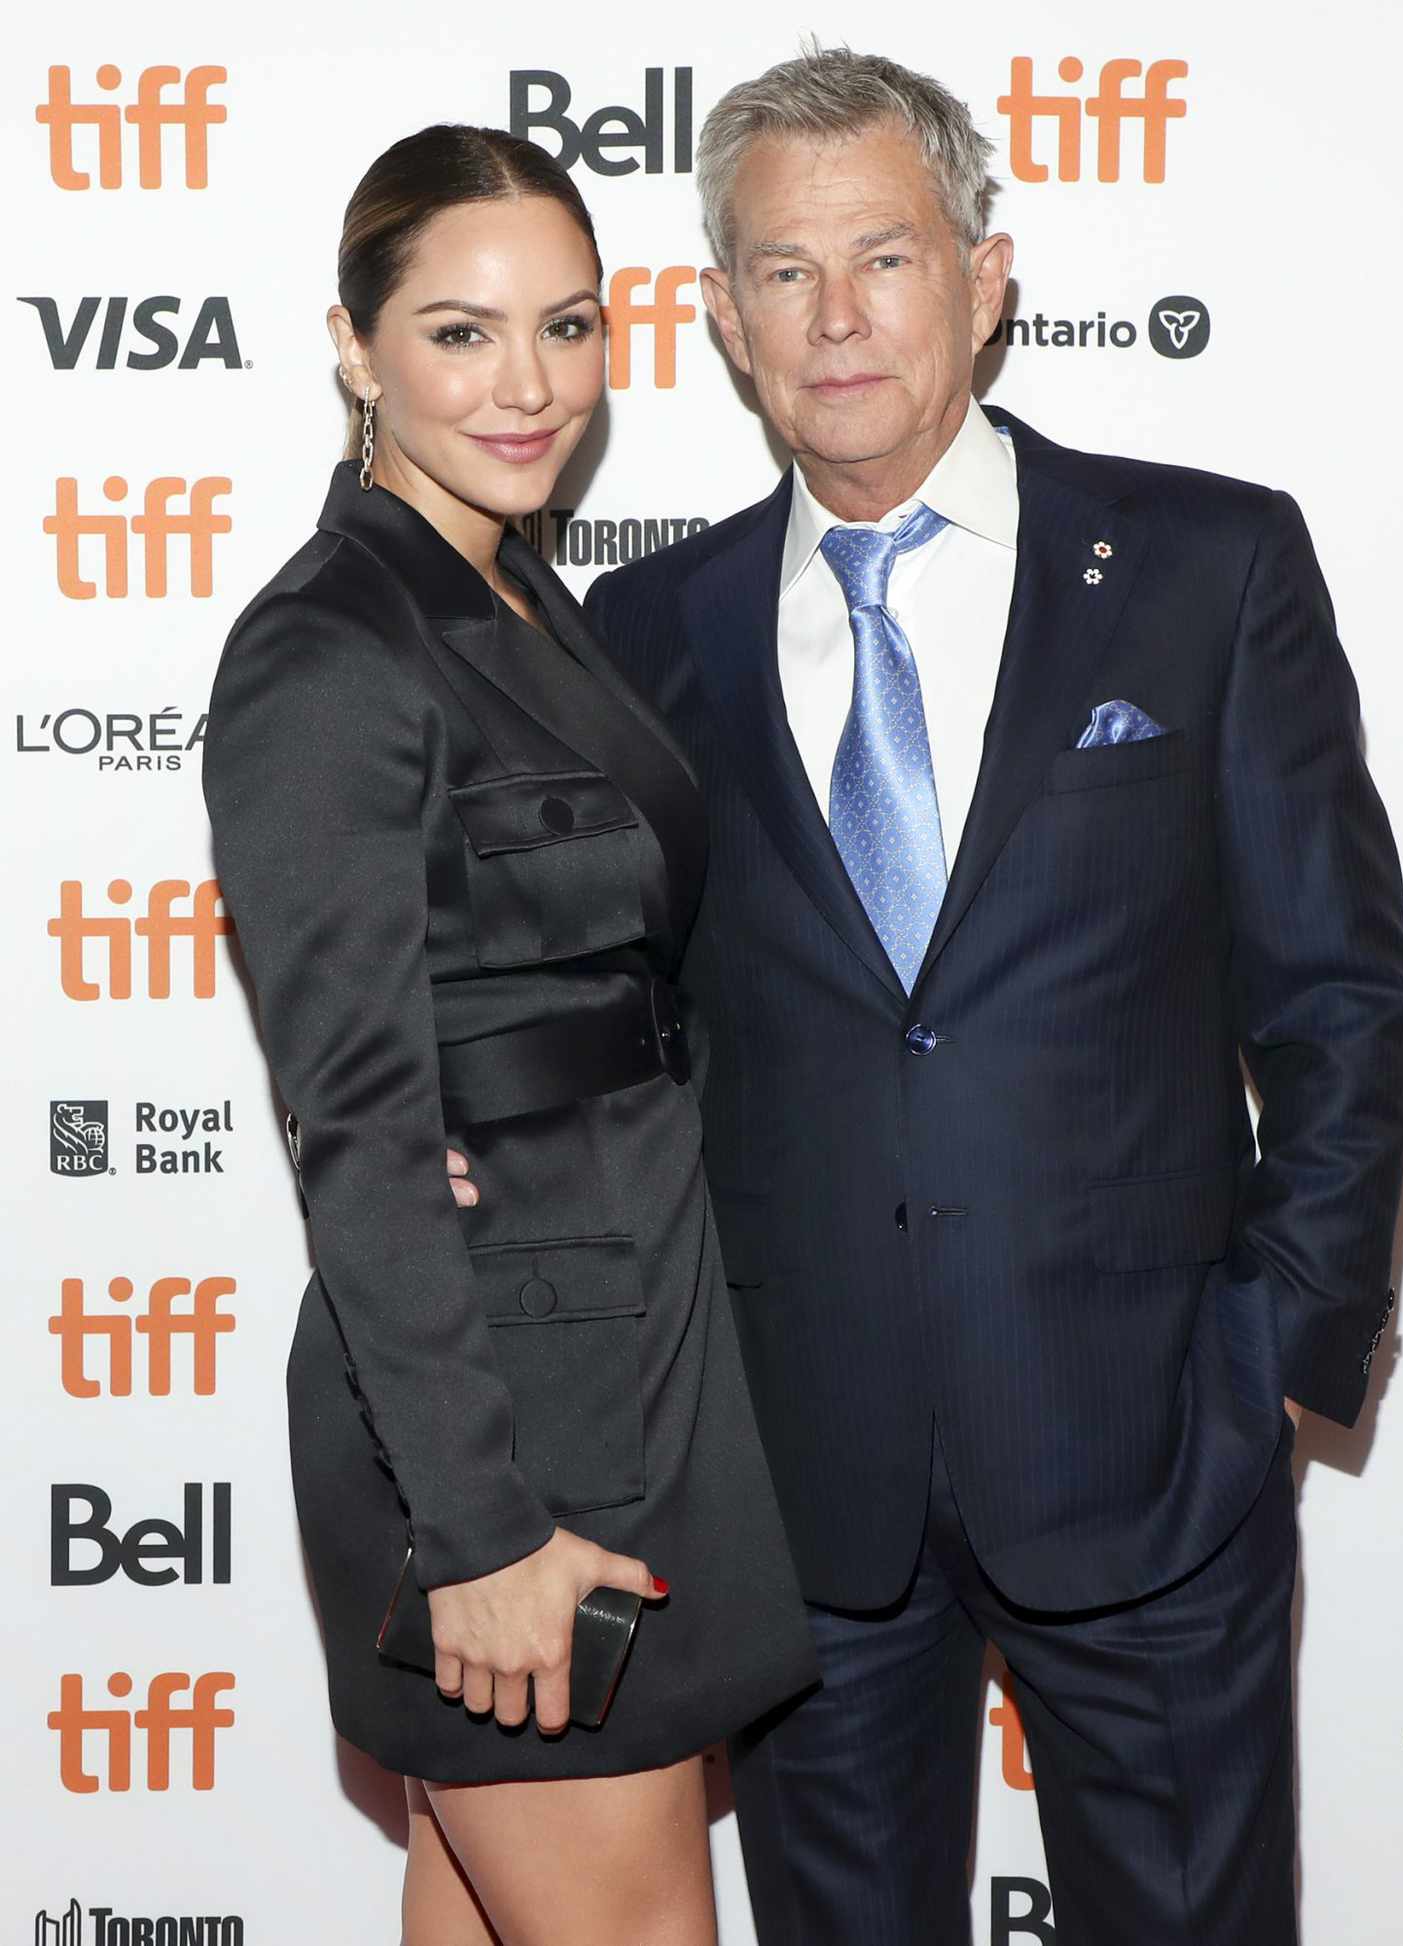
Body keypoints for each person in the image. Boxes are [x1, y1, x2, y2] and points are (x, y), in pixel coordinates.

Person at [533, 46, 1403, 1946]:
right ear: (723, 320)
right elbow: (638, 1043)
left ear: (987, 273)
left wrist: (1271, 1360)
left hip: (1152, 1462)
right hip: (799, 1488)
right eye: (783, 270)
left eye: (886, 255)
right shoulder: (645, 634)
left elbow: (1340, 999)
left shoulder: (1206, 563)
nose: (837, 315)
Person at [202, 123, 816, 1946]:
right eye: (462, 334)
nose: (529, 385)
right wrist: (472, 1529)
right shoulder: (330, 647)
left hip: (629, 1338)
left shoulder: (521, 596)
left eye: (567, 325)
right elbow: (361, 1118)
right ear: (353, 344)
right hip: (508, 1414)